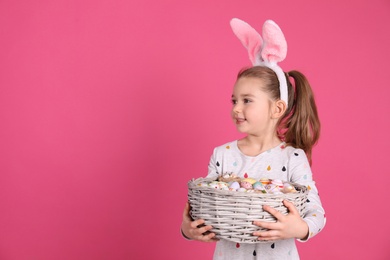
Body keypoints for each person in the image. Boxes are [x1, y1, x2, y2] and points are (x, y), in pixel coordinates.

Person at [181, 18, 325, 259]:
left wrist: (299, 228)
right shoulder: (223, 155)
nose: (237, 108)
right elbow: (205, 204)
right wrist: (187, 229)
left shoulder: (292, 157)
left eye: (247, 100)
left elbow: (316, 212)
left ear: (277, 109)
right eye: (234, 101)